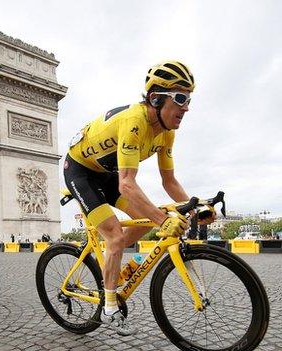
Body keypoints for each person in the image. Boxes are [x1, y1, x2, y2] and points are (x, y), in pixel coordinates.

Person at [64, 61, 214, 335]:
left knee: (145, 221)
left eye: (189, 99)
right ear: (156, 98)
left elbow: (169, 181)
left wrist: (197, 208)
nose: (187, 107)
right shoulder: (135, 122)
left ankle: (112, 262)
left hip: (107, 174)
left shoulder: (167, 133)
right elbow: (127, 184)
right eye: (180, 98)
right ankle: (109, 306)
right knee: (117, 237)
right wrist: (163, 219)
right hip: (80, 172)